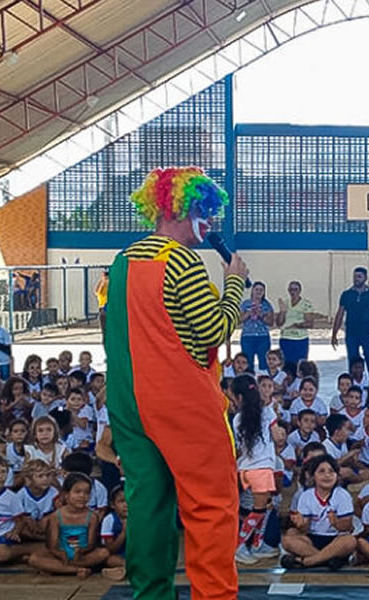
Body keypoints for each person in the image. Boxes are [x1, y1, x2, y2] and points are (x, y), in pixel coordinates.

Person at [105, 166, 247, 600]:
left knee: (148, 503)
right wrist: (236, 283)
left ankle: (151, 594)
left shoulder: (123, 260)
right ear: (184, 209)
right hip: (181, 402)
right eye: (206, 212)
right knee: (212, 506)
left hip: (129, 402)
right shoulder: (182, 261)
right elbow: (213, 330)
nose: (211, 224)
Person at [231, 375, 279, 564]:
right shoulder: (267, 413)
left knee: (262, 507)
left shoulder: (237, 418)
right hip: (262, 468)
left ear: (239, 398)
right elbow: (278, 437)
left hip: (245, 468)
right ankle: (239, 545)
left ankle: (258, 545)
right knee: (259, 510)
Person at [280, 455, 357, 570]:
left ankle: (307, 561)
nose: (327, 475)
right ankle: (328, 560)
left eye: (331, 472)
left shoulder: (343, 495)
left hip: (335, 538)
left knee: (350, 541)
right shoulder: (306, 496)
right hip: (312, 539)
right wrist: (300, 524)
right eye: (321, 471)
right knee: (287, 539)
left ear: (337, 476)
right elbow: (305, 529)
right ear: (313, 476)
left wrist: (336, 523)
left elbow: (348, 526)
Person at [27, 473, 110, 577]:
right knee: (34, 559)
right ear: (66, 495)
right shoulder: (56, 516)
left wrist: (82, 551)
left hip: (82, 556)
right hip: (61, 555)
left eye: (86, 493)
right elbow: (52, 545)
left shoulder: (92, 516)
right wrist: (59, 553)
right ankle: (77, 570)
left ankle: (60, 569)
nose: (82, 496)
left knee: (104, 553)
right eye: (77, 492)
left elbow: (91, 543)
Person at [331, 267, 369, 377]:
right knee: (353, 361)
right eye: (355, 276)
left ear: (365, 278)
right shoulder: (346, 294)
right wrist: (334, 333)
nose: (356, 279)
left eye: (359, 276)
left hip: (367, 334)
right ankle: (354, 385)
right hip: (351, 334)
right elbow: (340, 314)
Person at [240, 282, 274, 372]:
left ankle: (263, 380)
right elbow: (239, 320)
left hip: (262, 337)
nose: (258, 292)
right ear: (252, 291)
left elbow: (271, 322)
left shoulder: (267, 305)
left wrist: (261, 315)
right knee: (247, 362)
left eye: (261, 290)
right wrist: (248, 313)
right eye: (257, 289)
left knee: (264, 362)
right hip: (247, 336)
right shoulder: (245, 304)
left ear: (264, 292)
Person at [277, 281, 314, 365]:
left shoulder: (306, 304)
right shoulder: (285, 303)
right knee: (286, 365)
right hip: (286, 338)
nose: (293, 291)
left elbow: (310, 323)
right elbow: (279, 323)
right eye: (291, 289)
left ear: (300, 290)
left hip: (300, 339)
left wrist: (297, 325)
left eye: (295, 289)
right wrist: (282, 312)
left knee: (300, 365)